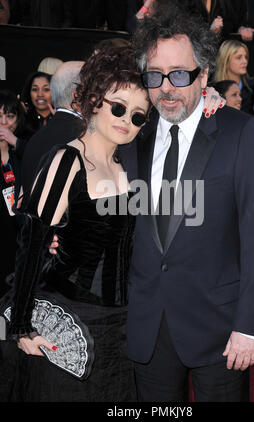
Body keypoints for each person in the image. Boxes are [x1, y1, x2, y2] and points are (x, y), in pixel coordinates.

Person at [117, 7, 254, 402]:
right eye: (154, 76)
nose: (166, 88)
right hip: (147, 326)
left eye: (179, 74)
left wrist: (250, 326)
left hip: (220, 328)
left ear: (203, 75)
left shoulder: (241, 133)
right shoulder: (133, 137)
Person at [0, 45, 150, 402]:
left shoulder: (126, 165)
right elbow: (32, 242)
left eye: (138, 116)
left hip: (122, 326)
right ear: (94, 101)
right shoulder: (66, 160)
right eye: (118, 107)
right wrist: (21, 326)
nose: (126, 120)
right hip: (72, 315)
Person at [20, 61, 84, 195]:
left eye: (46, 89)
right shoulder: (83, 138)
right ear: (77, 94)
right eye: (95, 89)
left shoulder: (36, 140)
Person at [0, 90, 31, 298]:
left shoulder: (24, 151)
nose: (3, 122)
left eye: (9, 116)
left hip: (18, 239)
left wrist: (14, 142)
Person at [215, 39, 254, 113]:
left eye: (245, 57)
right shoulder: (213, 89)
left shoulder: (253, 88)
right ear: (226, 60)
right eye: (239, 58)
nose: (245, 61)